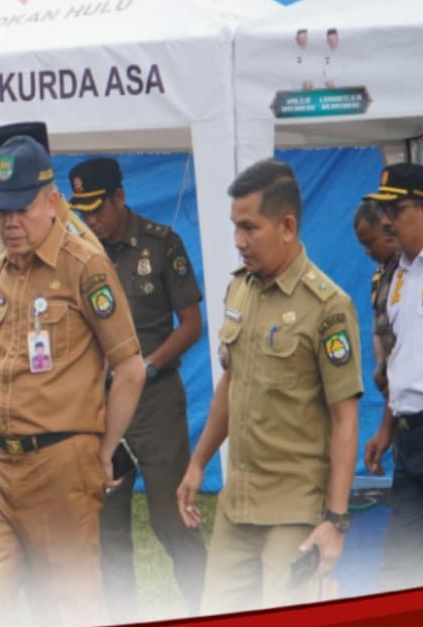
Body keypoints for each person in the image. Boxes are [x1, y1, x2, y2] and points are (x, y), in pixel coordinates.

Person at [0, 135, 145, 627]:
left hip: (60, 463)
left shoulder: (84, 265)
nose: (9, 222)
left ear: (52, 201)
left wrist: (102, 450)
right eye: (0, 211)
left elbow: (130, 368)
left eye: (21, 208)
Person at [176, 158, 362, 614]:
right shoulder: (240, 289)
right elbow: (231, 383)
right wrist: (198, 462)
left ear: (286, 226)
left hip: (294, 513)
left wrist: (335, 521)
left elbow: (345, 420)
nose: (239, 241)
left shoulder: (329, 306)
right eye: (235, 227)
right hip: (237, 506)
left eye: (249, 227)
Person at [69, 157, 207, 619]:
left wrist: (147, 366)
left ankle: (206, 605)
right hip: (102, 406)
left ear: (119, 198)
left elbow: (191, 325)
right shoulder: (78, 253)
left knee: (172, 518)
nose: (91, 220)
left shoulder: (162, 244)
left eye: (98, 209)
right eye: (83, 212)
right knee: (108, 528)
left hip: (155, 401)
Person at [361, 163, 423, 592]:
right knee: (399, 569)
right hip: (407, 435)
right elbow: (401, 361)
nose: (385, 221)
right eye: (383, 210)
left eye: (395, 209)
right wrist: (386, 425)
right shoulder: (396, 274)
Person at [352, 199, 399, 399]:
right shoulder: (380, 274)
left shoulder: (406, 270)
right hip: (392, 379)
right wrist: (381, 364)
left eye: (370, 242)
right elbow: (378, 325)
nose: (367, 251)